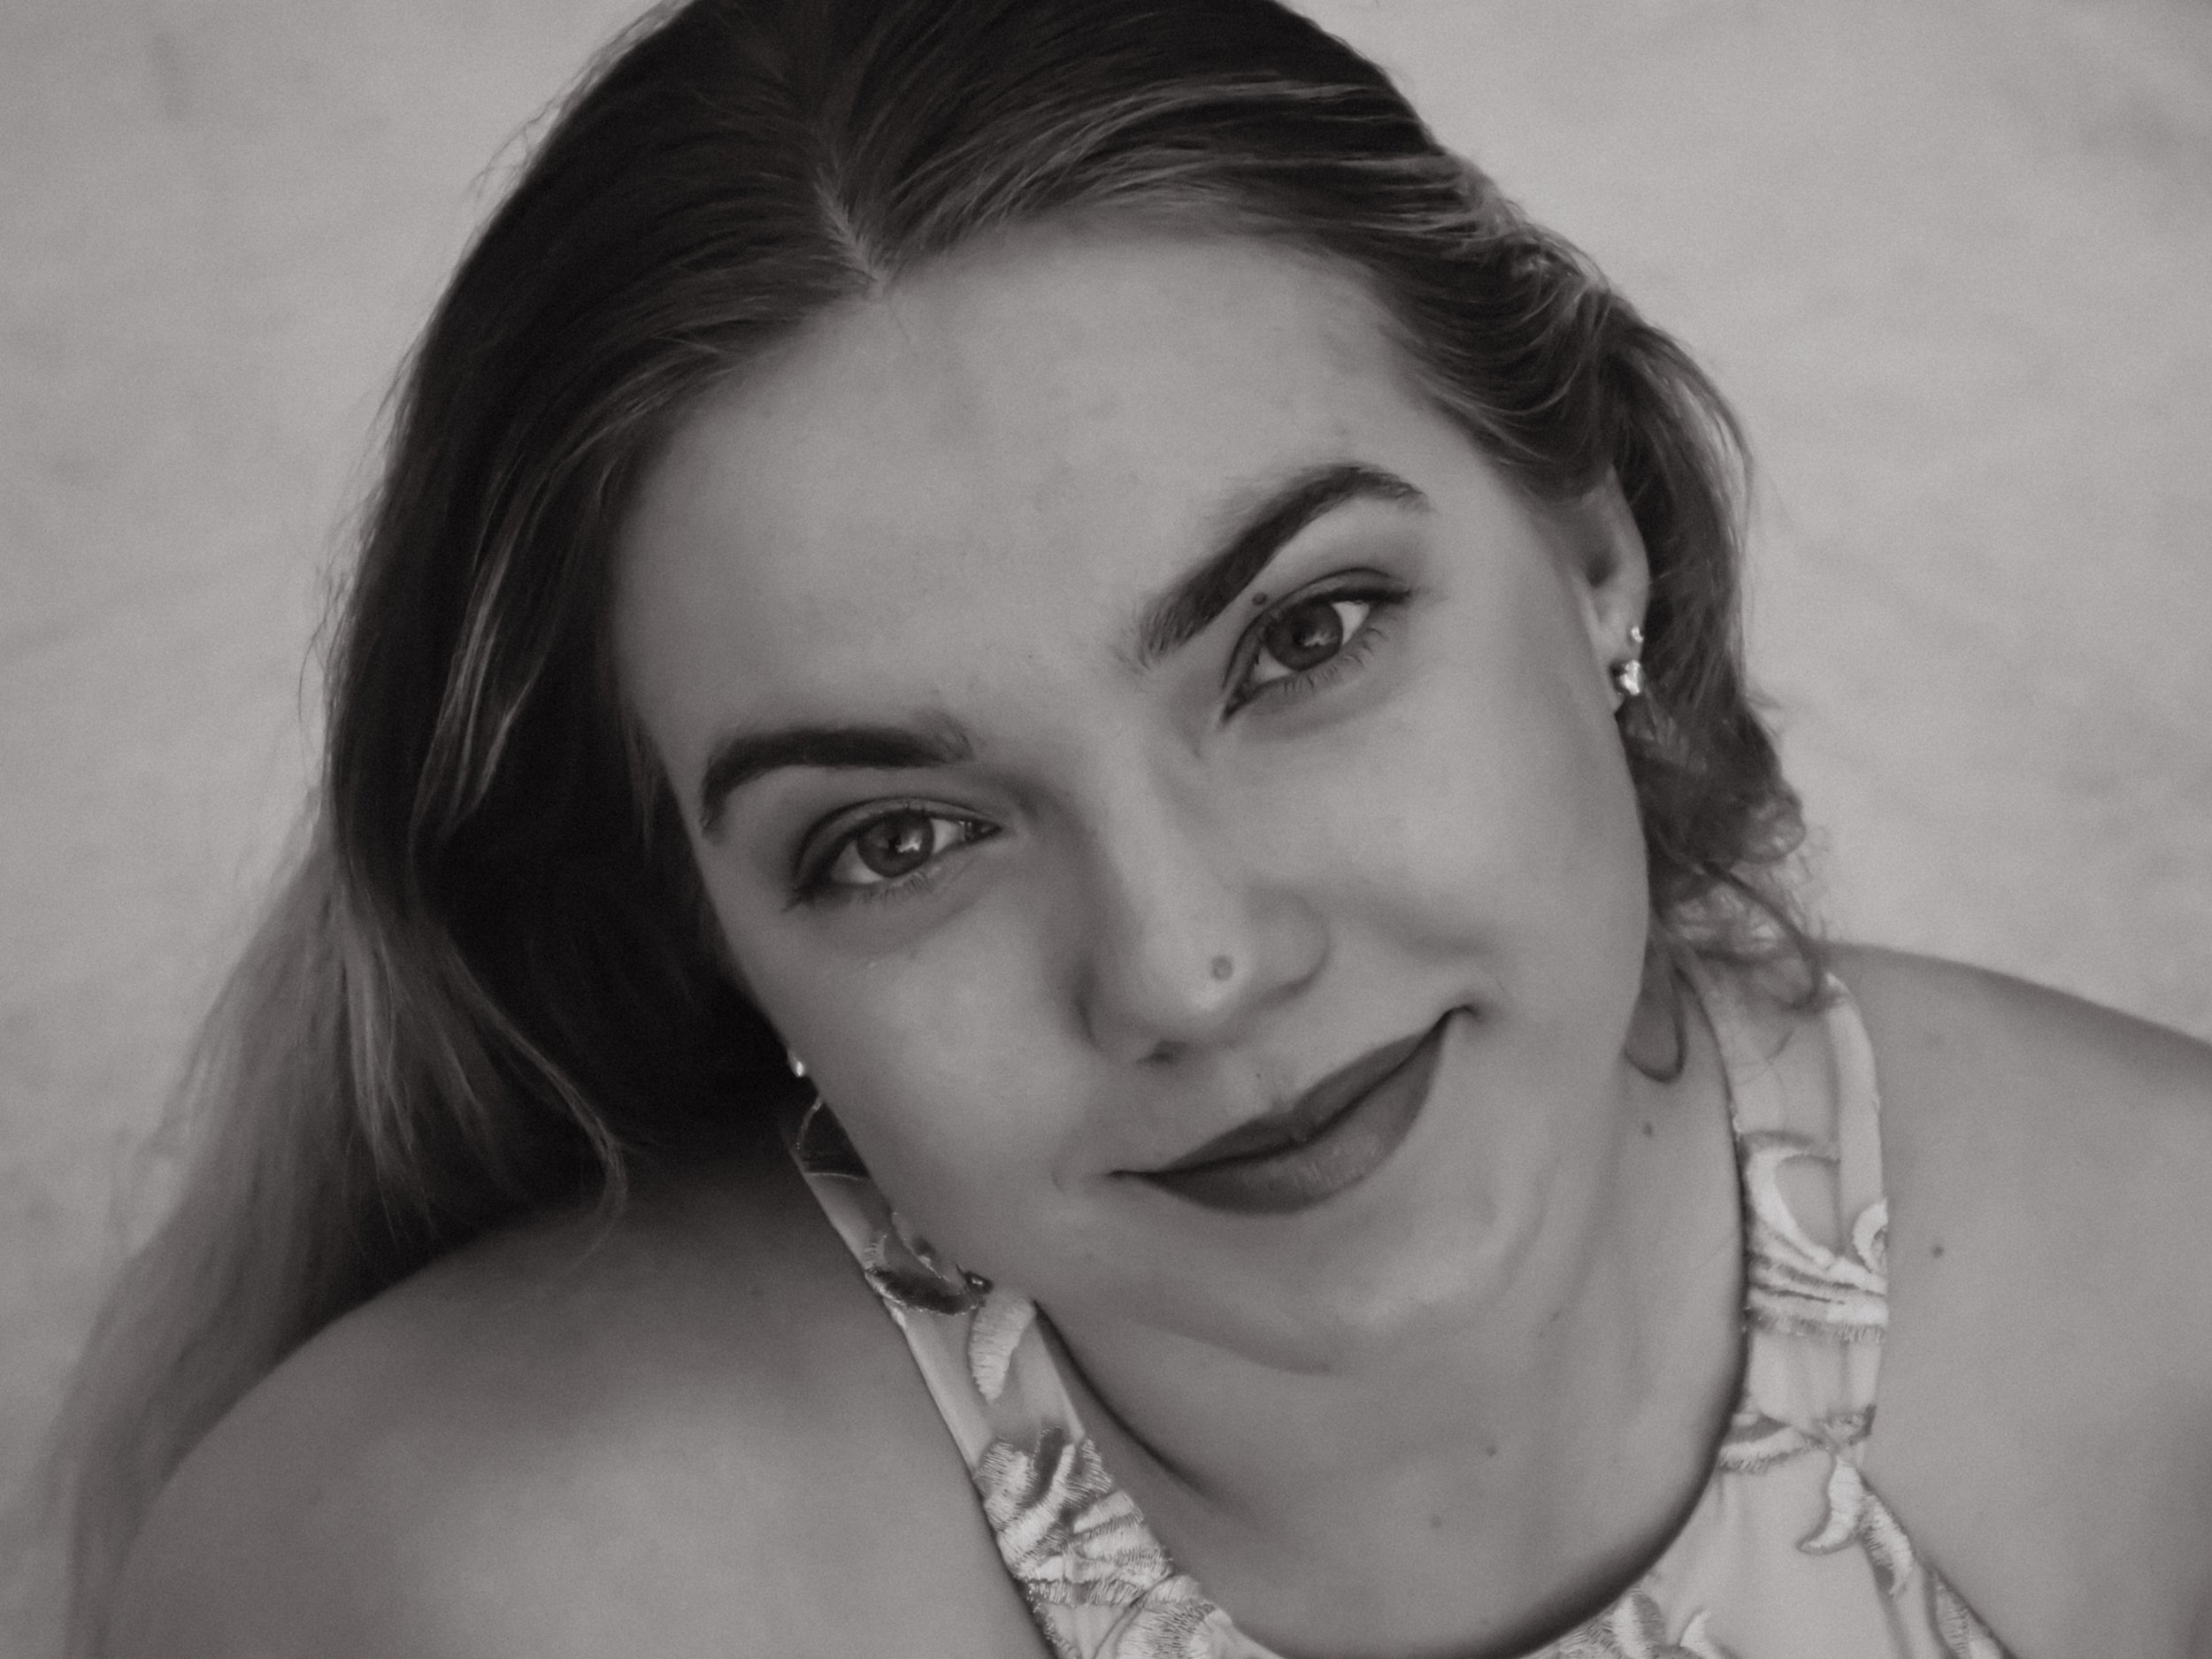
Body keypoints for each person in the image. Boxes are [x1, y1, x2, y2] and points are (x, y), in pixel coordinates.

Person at [55, 1, 2212, 1655]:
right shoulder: (472, 1591)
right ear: (709, 928)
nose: (1185, 963)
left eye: (1304, 638)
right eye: (895, 836)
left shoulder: (2165, 1309)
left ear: (1596, 548)